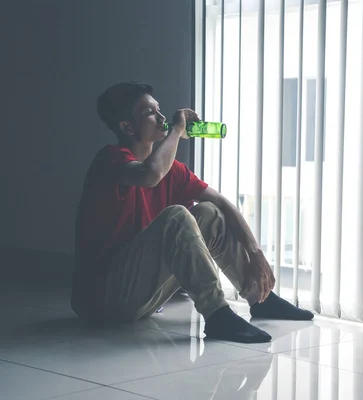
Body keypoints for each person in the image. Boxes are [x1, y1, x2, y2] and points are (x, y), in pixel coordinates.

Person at [71, 81, 313, 343]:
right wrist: (177, 129)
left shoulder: (173, 171)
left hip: (142, 298)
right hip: (103, 301)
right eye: (150, 113)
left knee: (210, 212)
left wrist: (256, 255)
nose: (162, 118)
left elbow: (224, 204)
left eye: (159, 109)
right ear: (127, 127)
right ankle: (218, 315)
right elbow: (150, 174)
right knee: (176, 216)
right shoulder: (110, 160)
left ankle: (261, 297)